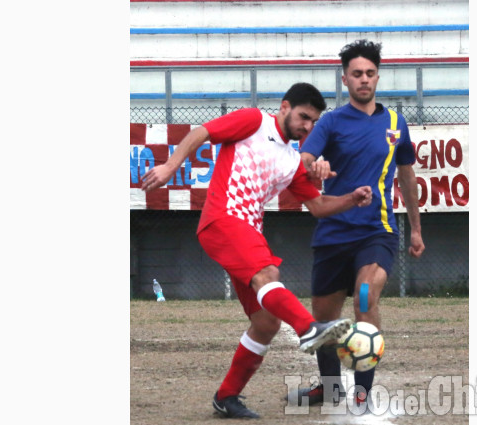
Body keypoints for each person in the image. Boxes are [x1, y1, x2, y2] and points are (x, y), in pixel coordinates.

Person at [141, 82, 373, 419]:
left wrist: (351, 198)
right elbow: (202, 132)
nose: (307, 126)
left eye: (312, 122)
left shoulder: (293, 162)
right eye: (303, 117)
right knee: (269, 273)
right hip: (223, 219)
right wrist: (171, 166)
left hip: (247, 230)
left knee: (265, 324)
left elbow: (319, 206)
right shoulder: (254, 121)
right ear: (284, 107)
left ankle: (226, 397)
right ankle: (310, 328)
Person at [293, 40, 426, 408]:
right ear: (345, 79)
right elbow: (304, 157)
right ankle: (331, 388)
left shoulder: (396, 123)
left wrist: (415, 228)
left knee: (365, 297)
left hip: (376, 231)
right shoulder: (332, 121)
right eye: (356, 74)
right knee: (324, 323)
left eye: (369, 73)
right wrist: (313, 165)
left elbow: (407, 174)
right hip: (333, 233)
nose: (363, 79)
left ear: (377, 76)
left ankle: (363, 393)